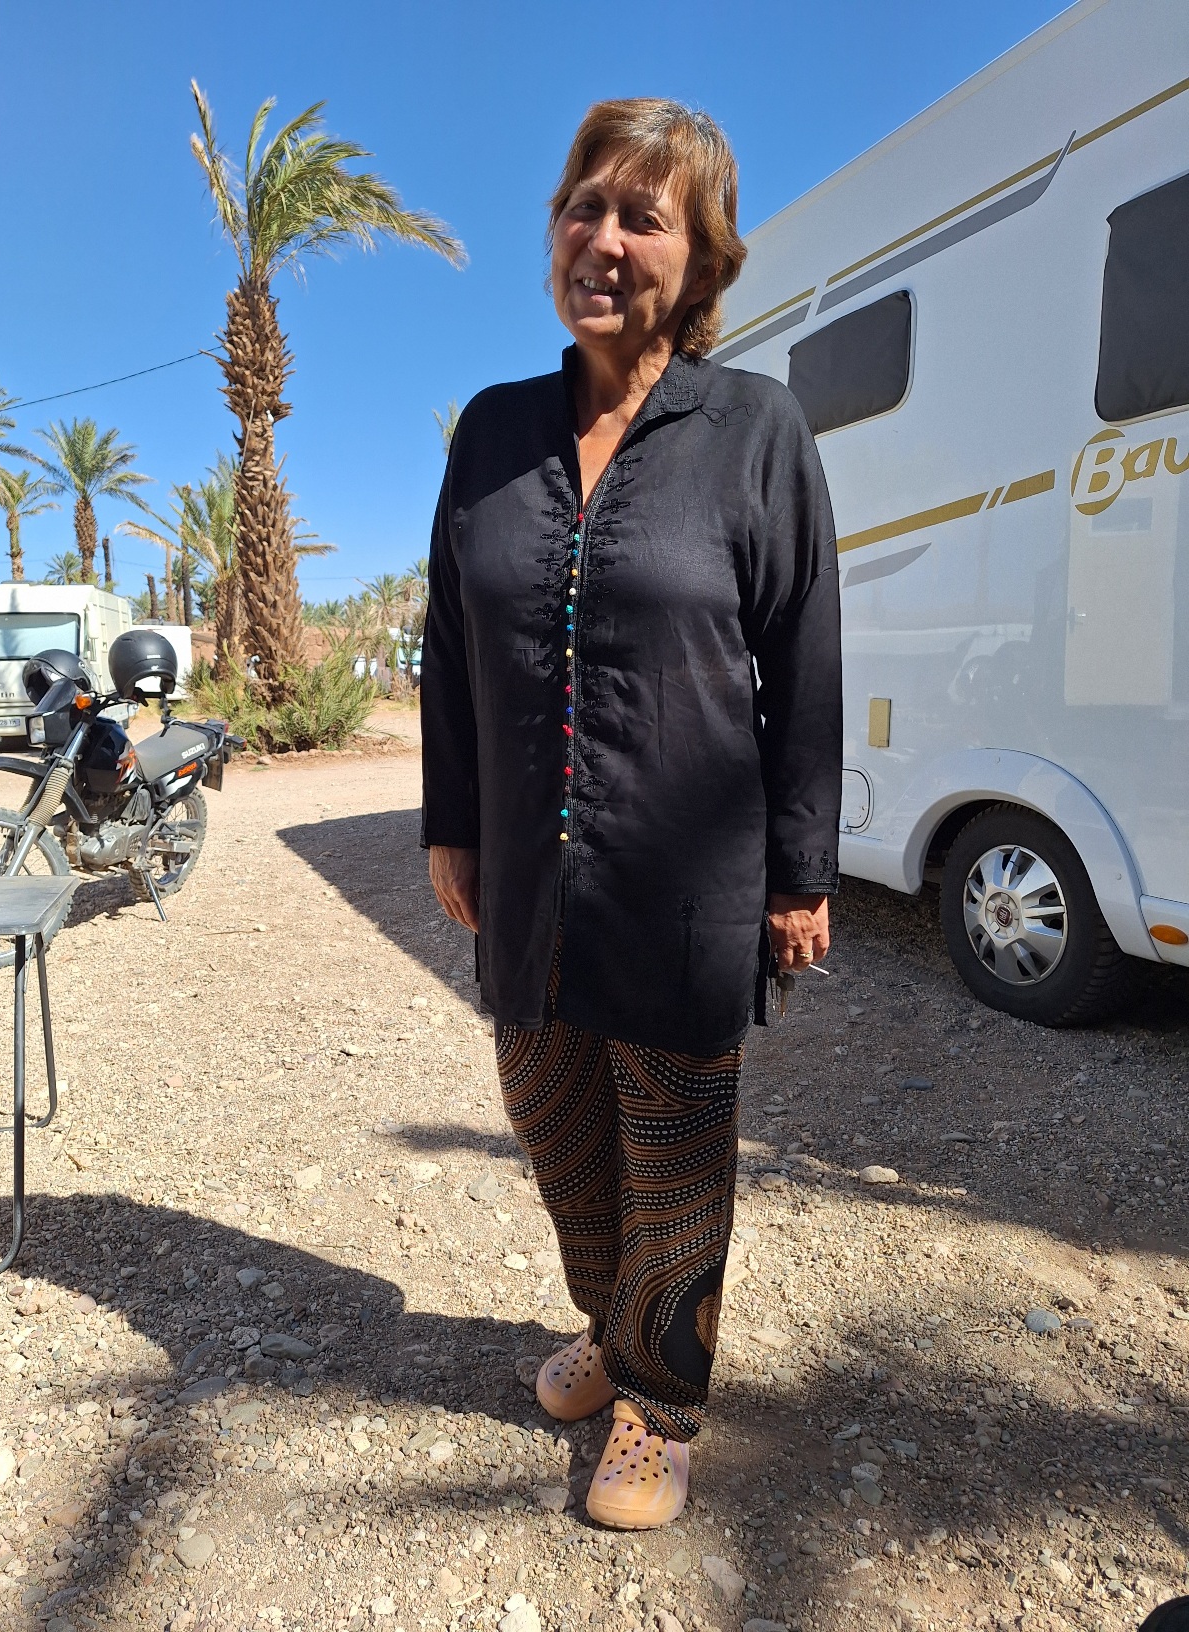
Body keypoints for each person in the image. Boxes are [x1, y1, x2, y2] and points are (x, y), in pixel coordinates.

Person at [422, 97, 842, 1529]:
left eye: (641, 217)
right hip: (530, 885)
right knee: (556, 1130)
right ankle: (611, 1327)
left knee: (673, 1148)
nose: (600, 239)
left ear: (700, 258)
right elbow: (448, 646)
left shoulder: (757, 428)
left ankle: (662, 1402)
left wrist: (800, 871)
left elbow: (804, 659)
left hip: (685, 879)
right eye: (580, 206)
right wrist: (452, 823)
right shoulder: (493, 432)